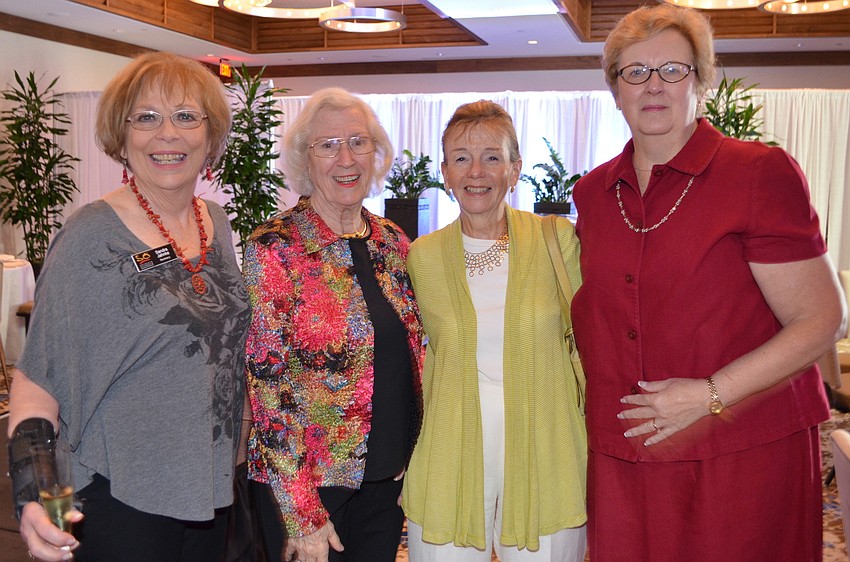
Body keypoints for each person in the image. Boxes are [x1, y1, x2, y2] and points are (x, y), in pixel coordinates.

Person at [571, 5, 847, 561]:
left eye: (672, 70)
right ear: (614, 89)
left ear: (700, 80)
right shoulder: (594, 195)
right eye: (635, 72)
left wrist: (709, 395)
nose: (654, 86)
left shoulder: (757, 173)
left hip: (740, 452)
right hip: (626, 455)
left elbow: (820, 319)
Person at [6, 51, 251, 562]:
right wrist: (36, 497)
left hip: (209, 491)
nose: (168, 134)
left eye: (186, 116)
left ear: (210, 134)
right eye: (147, 117)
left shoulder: (216, 223)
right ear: (122, 135)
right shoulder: (89, 237)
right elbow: (36, 383)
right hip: (121, 497)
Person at [242, 86, 423, 562]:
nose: (346, 157)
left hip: (386, 481)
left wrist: (413, 455)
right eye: (328, 145)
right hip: (310, 490)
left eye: (358, 142)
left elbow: (417, 353)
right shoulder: (274, 247)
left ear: (376, 153)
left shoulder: (393, 242)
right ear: (306, 159)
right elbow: (268, 390)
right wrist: (303, 512)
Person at [402, 100, 588, 562]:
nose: (476, 171)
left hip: (547, 454)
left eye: (492, 156)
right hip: (449, 455)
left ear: (514, 169)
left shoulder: (556, 240)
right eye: (461, 158)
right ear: (444, 172)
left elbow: (590, 338)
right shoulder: (421, 258)